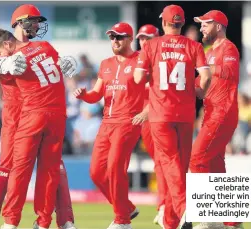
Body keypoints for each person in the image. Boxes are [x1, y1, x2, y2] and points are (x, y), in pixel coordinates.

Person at [0, 5, 76, 229]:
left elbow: (60, 66)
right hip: (22, 112)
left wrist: (69, 63)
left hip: (34, 111)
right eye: (33, 21)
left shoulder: (34, 46)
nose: (36, 25)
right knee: (16, 166)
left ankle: (60, 220)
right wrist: (3, 63)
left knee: (42, 168)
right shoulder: (15, 45)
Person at [134, 5, 212, 229]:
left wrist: (150, 71)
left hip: (160, 114)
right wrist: (200, 93)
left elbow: (139, 78)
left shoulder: (151, 45)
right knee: (180, 165)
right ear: (180, 22)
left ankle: (184, 207)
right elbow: (205, 76)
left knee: (170, 164)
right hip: (186, 114)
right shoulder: (194, 46)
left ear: (164, 23)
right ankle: (171, 220)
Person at [73, 22, 144, 229]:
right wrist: (84, 95)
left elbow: (154, 88)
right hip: (107, 123)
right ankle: (126, 208)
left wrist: (148, 111)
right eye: (112, 37)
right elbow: (96, 94)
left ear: (130, 38)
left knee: (114, 167)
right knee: (96, 172)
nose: (115, 40)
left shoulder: (140, 60)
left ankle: (122, 221)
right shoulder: (105, 64)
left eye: (119, 37)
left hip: (128, 121)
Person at [191, 10, 242, 229]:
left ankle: (209, 217)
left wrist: (204, 70)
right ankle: (232, 221)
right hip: (211, 113)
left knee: (197, 159)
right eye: (200, 25)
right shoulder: (209, 52)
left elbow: (230, 71)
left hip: (223, 112)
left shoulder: (228, 48)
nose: (201, 28)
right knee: (214, 166)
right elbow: (202, 89)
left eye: (205, 24)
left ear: (218, 26)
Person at [133, 24, 167, 227]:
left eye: (148, 38)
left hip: (158, 114)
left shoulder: (163, 57)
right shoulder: (136, 58)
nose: (143, 41)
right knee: (160, 163)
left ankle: (166, 206)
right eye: (141, 38)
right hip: (140, 117)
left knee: (165, 163)